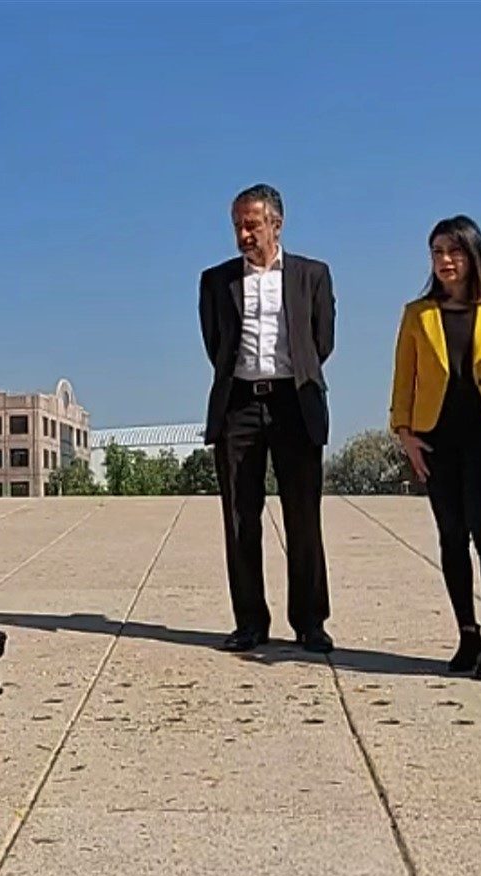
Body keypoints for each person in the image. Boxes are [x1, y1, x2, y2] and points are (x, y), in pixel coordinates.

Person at [389, 216, 481, 681]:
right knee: (451, 535)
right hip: (436, 437)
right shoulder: (418, 313)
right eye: (437, 252)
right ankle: (466, 632)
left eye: (454, 252)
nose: (445, 261)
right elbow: (403, 376)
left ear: (474, 256)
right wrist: (404, 432)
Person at [198, 183, 336, 654]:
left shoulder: (311, 275)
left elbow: (322, 342)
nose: (243, 234)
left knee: (303, 515)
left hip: (294, 402)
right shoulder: (216, 281)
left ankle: (310, 622)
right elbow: (215, 343)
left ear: (276, 224)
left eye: (252, 224)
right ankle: (250, 622)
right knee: (240, 517)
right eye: (237, 224)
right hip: (238, 404)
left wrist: (291, 374)